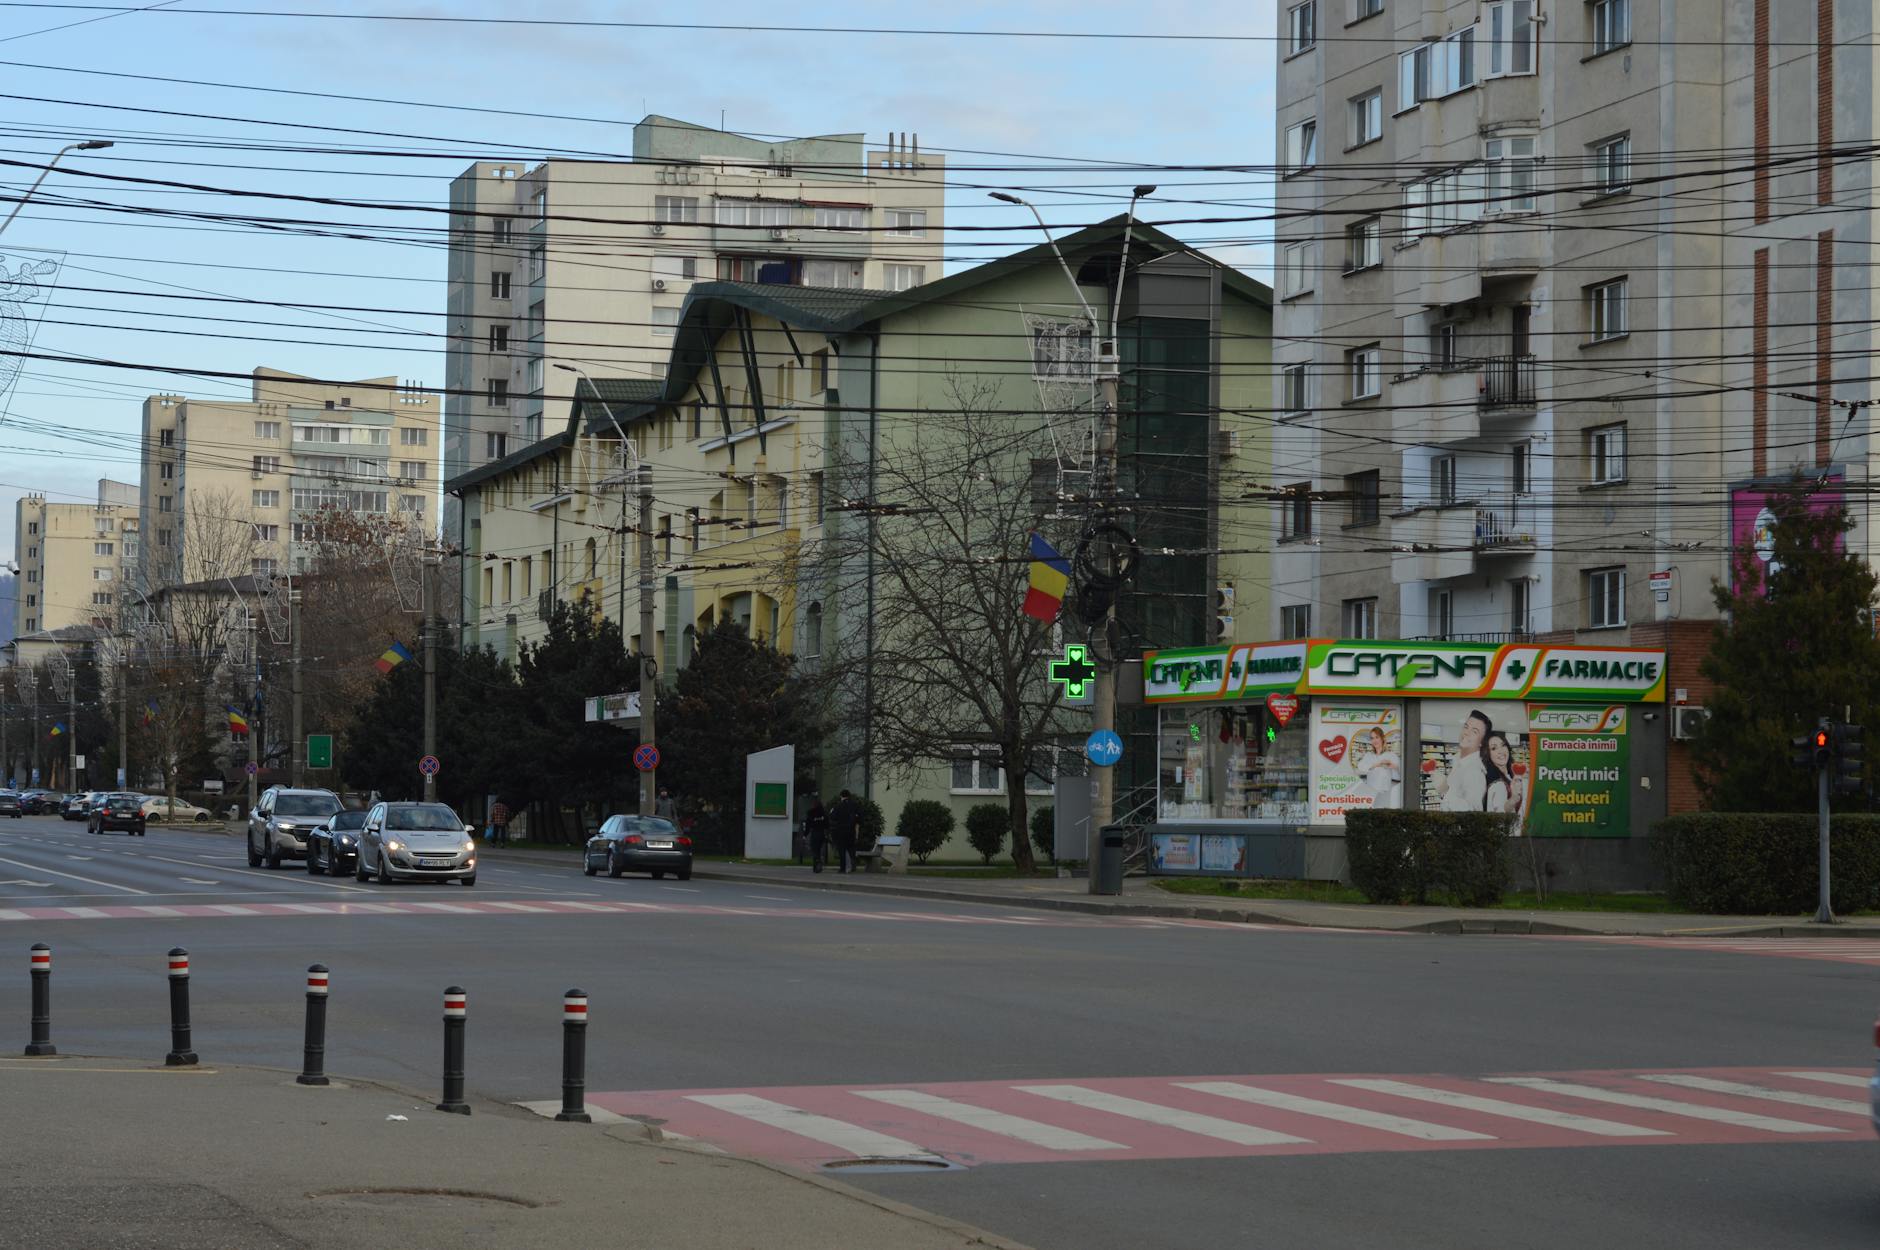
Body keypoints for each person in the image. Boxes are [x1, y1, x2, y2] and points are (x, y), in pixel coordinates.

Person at [1437, 710, 1492, 813]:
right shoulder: (1457, 760)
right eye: (1466, 727)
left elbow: (1474, 814)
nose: (1466, 733)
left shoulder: (1475, 772)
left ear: (1482, 742)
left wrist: (1446, 793)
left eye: (1474, 731)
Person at [1483, 731, 1525, 821]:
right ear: (1487, 754)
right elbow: (1501, 812)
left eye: (1503, 745)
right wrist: (1514, 799)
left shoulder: (1510, 776)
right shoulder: (1497, 784)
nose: (1501, 751)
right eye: (1494, 748)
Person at [1356, 725, 1402, 806]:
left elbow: (1401, 772)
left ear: (1382, 738)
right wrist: (1376, 764)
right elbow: (1360, 767)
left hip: (1384, 793)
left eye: (1377, 737)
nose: (1374, 740)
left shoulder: (1391, 755)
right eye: (1372, 738)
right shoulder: (1368, 755)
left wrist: (1394, 766)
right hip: (1370, 793)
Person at [826, 789, 860, 874]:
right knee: (851, 848)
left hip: (841, 830)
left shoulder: (838, 806)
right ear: (849, 796)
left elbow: (832, 817)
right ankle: (853, 863)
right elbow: (860, 817)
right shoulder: (855, 805)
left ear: (841, 796)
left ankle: (842, 868)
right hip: (851, 831)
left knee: (842, 849)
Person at [804, 799, 829, 872]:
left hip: (814, 833)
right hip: (822, 833)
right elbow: (827, 824)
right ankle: (818, 862)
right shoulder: (824, 813)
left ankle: (817, 863)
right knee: (819, 848)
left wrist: (805, 834)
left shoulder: (811, 813)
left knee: (814, 849)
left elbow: (808, 825)